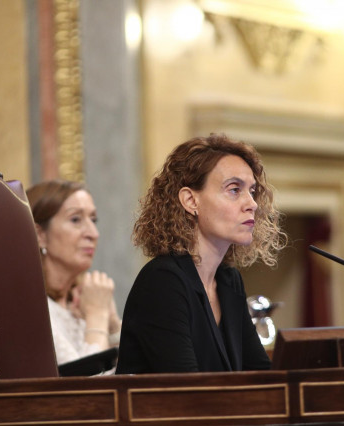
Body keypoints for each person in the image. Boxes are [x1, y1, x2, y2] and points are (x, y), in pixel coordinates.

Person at [115, 133, 286, 374]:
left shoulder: (228, 280)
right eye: (234, 189)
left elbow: (258, 373)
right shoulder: (163, 281)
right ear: (190, 200)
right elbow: (188, 392)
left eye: (252, 191)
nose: (252, 203)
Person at [26, 180, 122, 365]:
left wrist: (112, 325)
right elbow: (84, 388)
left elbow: (133, 376)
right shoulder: (32, 308)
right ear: (40, 235)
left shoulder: (82, 300)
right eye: (76, 219)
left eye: (93, 220)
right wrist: (97, 315)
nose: (93, 233)